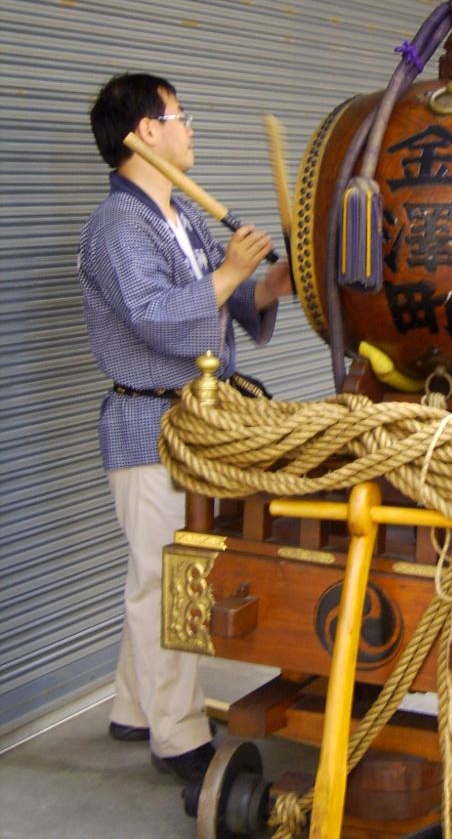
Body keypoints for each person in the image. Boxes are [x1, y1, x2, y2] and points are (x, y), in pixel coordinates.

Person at [78, 72, 292, 781]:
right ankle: (178, 737)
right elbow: (154, 317)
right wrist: (229, 272)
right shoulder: (117, 224)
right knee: (168, 581)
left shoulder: (180, 214)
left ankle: (133, 708)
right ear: (147, 131)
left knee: (155, 571)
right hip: (149, 422)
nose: (190, 128)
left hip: (194, 422)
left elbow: (225, 305)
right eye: (180, 116)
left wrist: (270, 283)